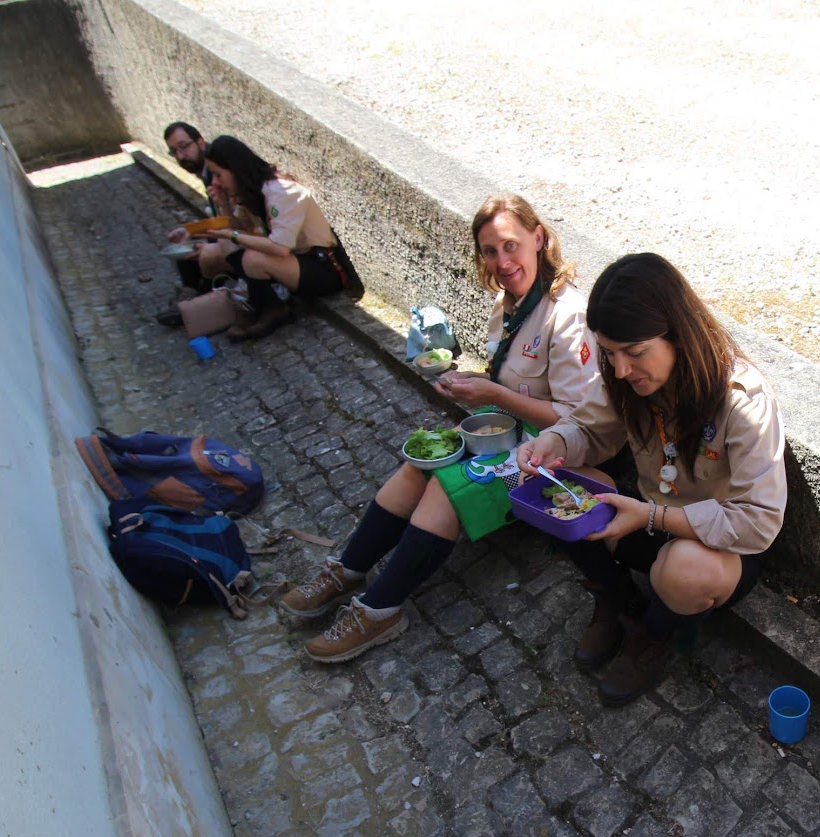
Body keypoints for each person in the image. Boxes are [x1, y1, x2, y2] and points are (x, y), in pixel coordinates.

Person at [284, 194, 599, 660]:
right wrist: (472, 383)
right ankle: (347, 568)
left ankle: (378, 610)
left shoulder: (568, 316)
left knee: (445, 488)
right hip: (509, 433)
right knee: (421, 465)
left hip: (553, 455)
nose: (502, 262)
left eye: (510, 245)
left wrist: (493, 395)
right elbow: (509, 380)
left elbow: (577, 420)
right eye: (490, 251)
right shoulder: (510, 302)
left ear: (538, 238)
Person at [517, 253, 787, 705]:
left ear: (676, 334)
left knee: (683, 571)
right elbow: (588, 430)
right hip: (647, 515)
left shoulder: (742, 402)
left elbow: (757, 522)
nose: (621, 369)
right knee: (553, 486)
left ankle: (653, 633)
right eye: (609, 353)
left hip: (720, 545)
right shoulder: (624, 374)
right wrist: (553, 443)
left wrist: (651, 516)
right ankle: (617, 596)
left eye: (635, 352)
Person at [198, 135, 346, 341]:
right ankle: (263, 301)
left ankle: (271, 308)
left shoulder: (280, 192)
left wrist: (233, 235)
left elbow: (279, 248)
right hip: (292, 263)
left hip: (322, 267)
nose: (215, 182)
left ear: (235, 169)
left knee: (252, 257)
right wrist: (224, 205)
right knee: (227, 243)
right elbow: (242, 227)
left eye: (218, 175)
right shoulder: (252, 192)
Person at [154, 122, 237, 325]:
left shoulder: (216, 172)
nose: (181, 156)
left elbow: (237, 222)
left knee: (204, 253)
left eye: (184, 147)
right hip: (234, 232)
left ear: (200, 142)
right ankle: (192, 296)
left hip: (249, 240)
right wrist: (191, 230)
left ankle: (199, 303)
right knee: (185, 245)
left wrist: (210, 243)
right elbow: (223, 220)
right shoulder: (206, 173)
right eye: (174, 151)